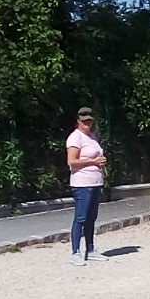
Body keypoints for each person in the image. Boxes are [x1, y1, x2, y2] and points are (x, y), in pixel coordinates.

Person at [65, 106, 107, 265]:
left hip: (95, 181)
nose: (87, 123)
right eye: (84, 121)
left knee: (91, 218)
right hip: (82, 183)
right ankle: (75, 252)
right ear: (78, 121)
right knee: (81, 218)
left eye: (89, 120)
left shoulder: (92, 137)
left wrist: (101, 162)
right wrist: (93, 161)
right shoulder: (75, 138)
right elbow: (71, 161)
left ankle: (90, 249)